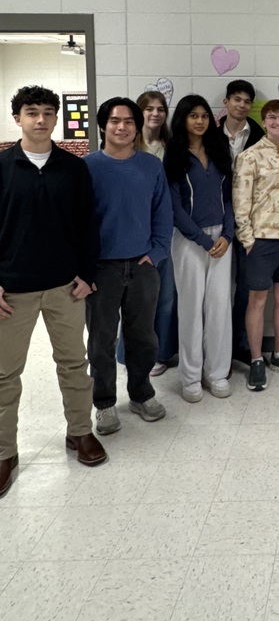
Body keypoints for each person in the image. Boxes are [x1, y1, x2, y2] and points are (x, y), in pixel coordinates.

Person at [0, 86, 106, 498]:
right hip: (14, 292)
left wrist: (87, 273)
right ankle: (5, 452)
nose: (41, 120)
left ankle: (80, 432)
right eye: (32, 112)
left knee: (73, 365)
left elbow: (88, 225)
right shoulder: (3, 166)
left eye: (48, 113)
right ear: (18, 119)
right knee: (6, 375)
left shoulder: (73, 168)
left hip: (66, 287)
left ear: (56, 119)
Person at [85, 98, 173, 434]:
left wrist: (156, 253)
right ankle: (104, 404)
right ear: (103, 125)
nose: (121, 127)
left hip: (142, 267)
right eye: (114, 121)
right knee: (101, 341)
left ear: (137, 127)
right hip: (100, 271)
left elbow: (163, 213)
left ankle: (141, 394)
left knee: (143, 339)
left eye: (128, 122)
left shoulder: (151, 166)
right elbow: (77, 222)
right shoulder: (88, 166)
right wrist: (84, 268)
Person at [232, 98, 279, 392]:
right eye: (272, 117)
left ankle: (278, 354)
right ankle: (256, 360)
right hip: (261, 242)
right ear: (264, 122)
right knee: (258, 301)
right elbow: (240, 201)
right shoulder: (250, 157)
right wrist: (248, 240)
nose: (278, 121)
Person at [165, 95, 235, 402]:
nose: (199, 121)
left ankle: (217, 373)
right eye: (193, 115)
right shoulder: (174, 155)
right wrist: (203, 241)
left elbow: (231, 196)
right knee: (191, 309)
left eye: (204, 115)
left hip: (222, 240)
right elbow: (175, 207)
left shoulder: (220, 151)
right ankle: (191, 377)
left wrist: (228, 234)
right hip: (190, 242)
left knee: (220, 307)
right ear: (182, 119)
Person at [116, 89, 178, 376]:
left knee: (165, 299)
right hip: (136, 235)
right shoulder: (128, 147)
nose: (155, 113)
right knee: (136, 303)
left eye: (160, 108)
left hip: (167, 235)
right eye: (149, 108)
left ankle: (162, 352)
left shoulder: (172, 147)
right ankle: (131, 353)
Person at [217, 79, 264, 367]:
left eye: (247, 101)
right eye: (236, 99)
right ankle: (217, 345)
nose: (241, 105)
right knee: (217, 287)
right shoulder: (209, 134)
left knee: (247, 286)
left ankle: (242, 346)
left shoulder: (259, 134)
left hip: (251, 220)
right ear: (226, 102)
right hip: (216, 218)